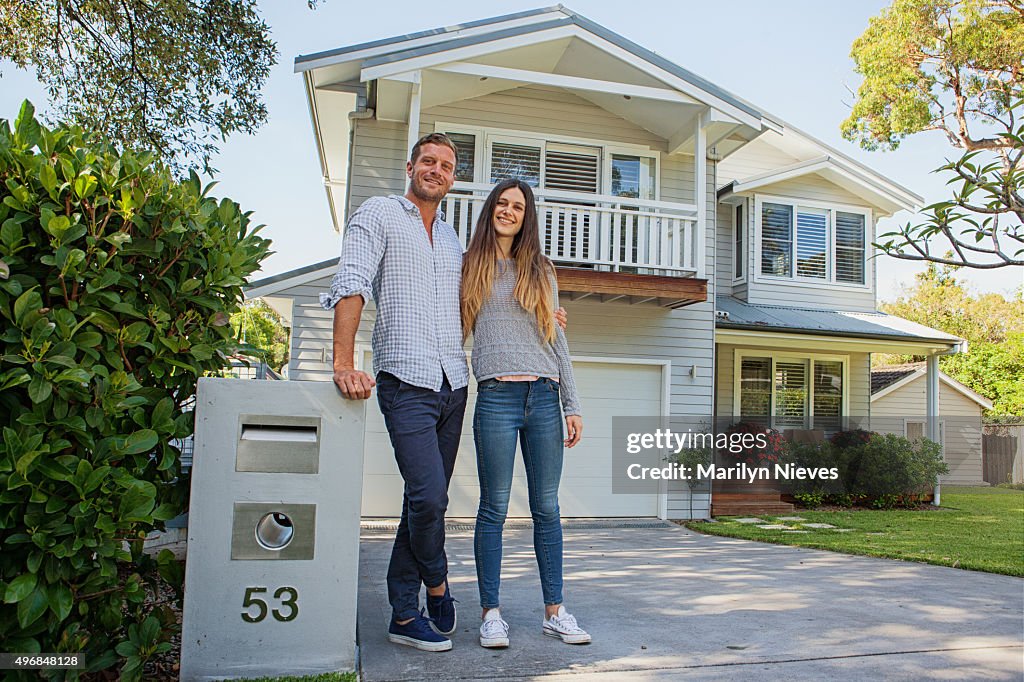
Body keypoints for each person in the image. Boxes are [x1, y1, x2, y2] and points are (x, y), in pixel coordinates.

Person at [320, 133, 466, 652]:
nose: (436, 170)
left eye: (446, 165)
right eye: (428, 161)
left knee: (421, 502)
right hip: (406, 379)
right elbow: (352, 280)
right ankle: (436, 585)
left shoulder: (451, 239)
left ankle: (404, 616)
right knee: (429, 496)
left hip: (455, 383)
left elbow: (477, 302)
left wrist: (546, 314)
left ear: (452, 178)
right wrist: (343, 361)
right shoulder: (379, 214)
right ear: (410, 166)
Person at [461, 178, 592, 649]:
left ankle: (554, 611)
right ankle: (491, 614)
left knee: (547, 508)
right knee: (494, 507)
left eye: (517, 206)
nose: (509, 211)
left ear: (526, 215)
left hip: (544, 397)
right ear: (491, 210)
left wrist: (571, 404)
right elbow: (453, 328)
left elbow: (557, 339)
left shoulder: (541, 268)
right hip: (496, 396)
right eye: (502, 203)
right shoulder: (470, 265)